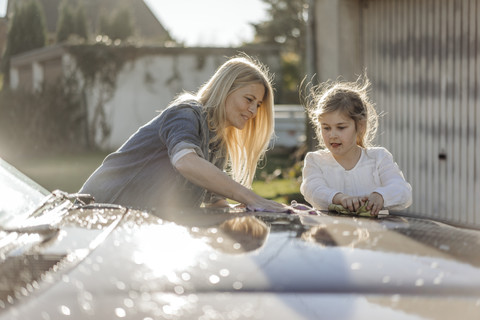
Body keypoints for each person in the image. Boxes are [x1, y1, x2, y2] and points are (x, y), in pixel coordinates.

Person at [79, 55, 287, 213]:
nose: (253, 111)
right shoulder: (186, 113)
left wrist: (261, 209)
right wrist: (251, 198)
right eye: (249, 99)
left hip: (132, 223)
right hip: (93, 214)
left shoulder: (218, 141)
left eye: (258, 105)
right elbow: (185, 161)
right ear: (225, 89)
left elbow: (215, 202)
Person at [300, 76, 412, 216]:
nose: (332, 135)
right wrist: (339, 198)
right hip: (330, 235)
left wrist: (380, 196)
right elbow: (312, 189)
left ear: (360, 126)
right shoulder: (315, 161)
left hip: (375, 235)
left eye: (341, 127)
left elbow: (403, 192)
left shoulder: (379, 158)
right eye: (326, 128)